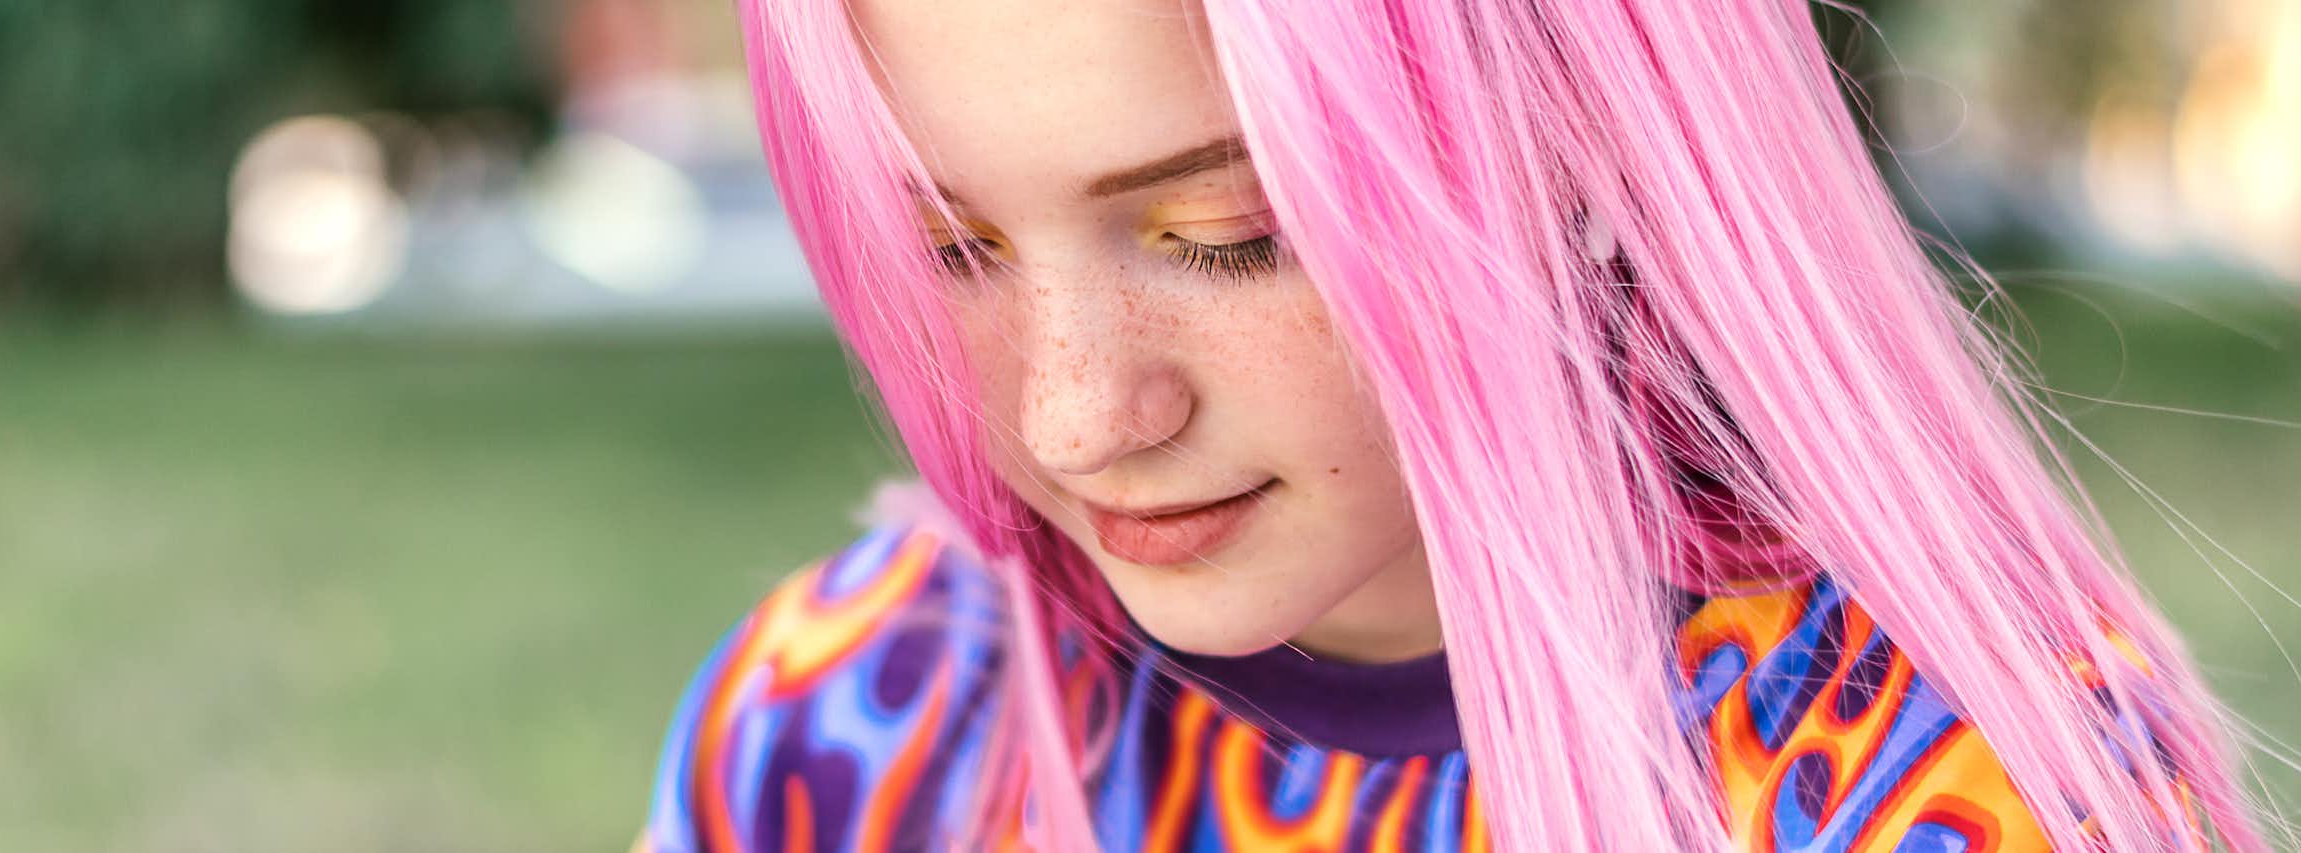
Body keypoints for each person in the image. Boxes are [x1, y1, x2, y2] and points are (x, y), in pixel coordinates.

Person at [639, 0, 2274, 849]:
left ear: (1579, 142)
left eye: (1228, 231)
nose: (1078, 416)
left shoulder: (1927, 785)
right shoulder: (850, 733)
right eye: (947, 249)